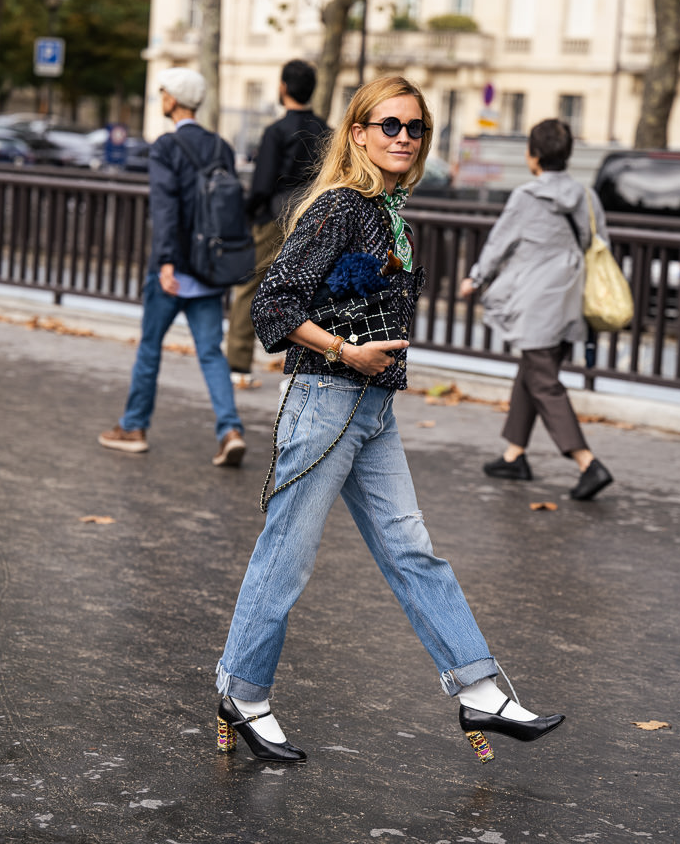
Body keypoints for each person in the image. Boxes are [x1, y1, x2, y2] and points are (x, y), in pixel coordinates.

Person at [213, 76, 565, 765]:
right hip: (325, 402)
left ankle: (479, 690)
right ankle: (243, 692)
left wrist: (367, 365)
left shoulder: (390, 211)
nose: (404, 137)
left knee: (413, 552)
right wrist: (348, 351)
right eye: (390, 125)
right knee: (286, 555)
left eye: (416, 128)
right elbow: (273, 308)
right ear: (358, 132)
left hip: (372, 410)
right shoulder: (341, 208)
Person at [99, 67, 246, 468]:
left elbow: (164, 207)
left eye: (162, 91)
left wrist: (165, 261)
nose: (160, 96)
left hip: (174, 269)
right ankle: (229, 430)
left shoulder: (166, 146)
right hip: (211, 269)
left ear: (172, 99)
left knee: (149, 349)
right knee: (211, 353)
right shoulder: (221, 147)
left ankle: (133, 428)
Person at [459, 118, 613, 501]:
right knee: (533, 371)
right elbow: (600, 243)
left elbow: (499, 244)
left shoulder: (526, 197)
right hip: (571, 299)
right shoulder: (587, 196)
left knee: (543, 380)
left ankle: (587, 462)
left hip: (536, 301)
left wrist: (476, 278)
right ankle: (514, 456)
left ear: (532, 156)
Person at [225, 59, 330, 386]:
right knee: (307, 294)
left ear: (283, 87)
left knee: (249, 288)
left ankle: (239, 367)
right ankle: (300, 372)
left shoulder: (276, 131)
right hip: (313, 218)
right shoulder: (327, 131)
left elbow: (262, 184)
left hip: (273, 217)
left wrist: (248, 213)